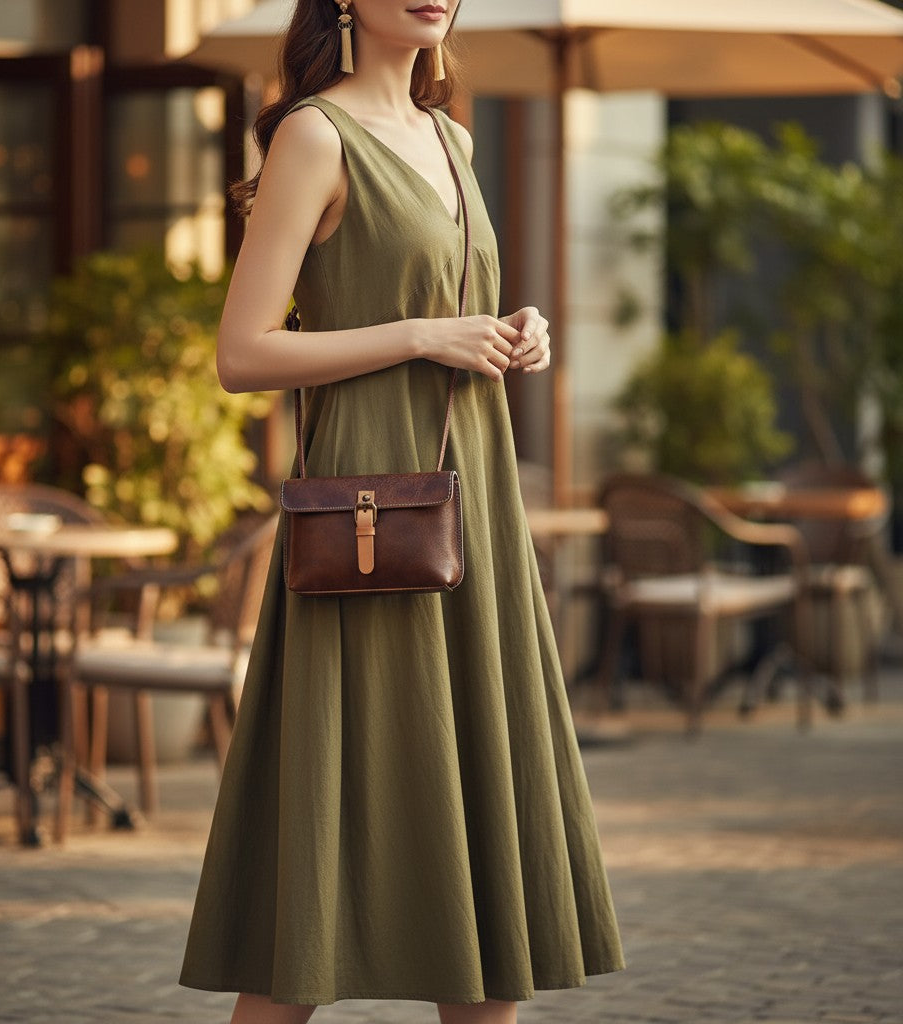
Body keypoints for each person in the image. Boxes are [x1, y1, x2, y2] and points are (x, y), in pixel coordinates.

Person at [179, 2, 625, 1021]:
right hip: (372, 517)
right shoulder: (312, 134)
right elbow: (243, 352)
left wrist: (515, 333)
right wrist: (423, 332)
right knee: (319, 865)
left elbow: (450, 307)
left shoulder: (451, 134)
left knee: (481, 850)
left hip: (473, 503)